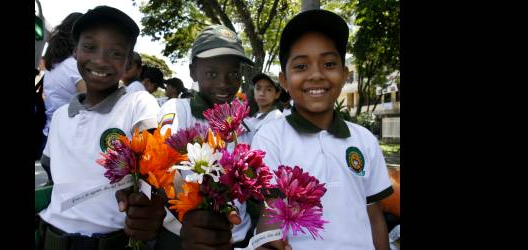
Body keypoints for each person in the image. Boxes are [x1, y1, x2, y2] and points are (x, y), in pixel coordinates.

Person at [252, 9, 393, 250]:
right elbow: (269, 212)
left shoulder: (364, 139)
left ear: (344, 75)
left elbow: (374, 215)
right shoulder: (270, 137)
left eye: (329, 63)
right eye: (301, 66)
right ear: (284, 81)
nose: (316, 75)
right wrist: (267, 241)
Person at [36, 6, 164, 250]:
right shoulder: (63, 115)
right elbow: (53, 172)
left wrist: (152, 202)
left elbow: (156, 163)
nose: (100, 60)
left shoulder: (138, 103)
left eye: (116, 53)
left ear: (128, 63)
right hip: (50, 238)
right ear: (75, 51)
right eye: (90, 47)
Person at [156, 25, 254, 249]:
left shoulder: (245, 126)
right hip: (185, 237)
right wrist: (197, 212)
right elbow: (162, 166)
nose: (223, 83)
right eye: (212, 74)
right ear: (192, 72)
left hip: (239, 237)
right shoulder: (178, 110)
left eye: (233, 74)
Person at [42, 12, 85, 137]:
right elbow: (89, 107)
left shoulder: (53, 66)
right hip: (66, 136)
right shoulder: (73, 66)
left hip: (50, 132)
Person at [243, 72, 284, 139]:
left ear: (277, 94)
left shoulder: (277, 119)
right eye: (258, 88)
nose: (262, 93)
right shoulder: (253, 117)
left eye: (268, 89)